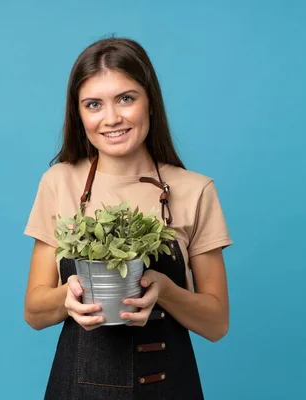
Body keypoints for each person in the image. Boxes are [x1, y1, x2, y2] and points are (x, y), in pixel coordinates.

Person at [23, 37, 233, 399]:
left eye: (126, 98)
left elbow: (217, 323)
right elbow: (34, 312)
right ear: (79, 114)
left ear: (150, 101)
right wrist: (67, 299)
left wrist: (165, 291)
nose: (112, 118)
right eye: (93, 104)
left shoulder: (195, 190)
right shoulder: (59, 182)